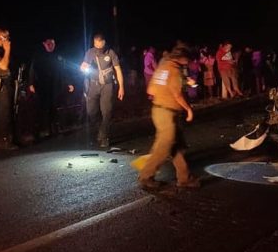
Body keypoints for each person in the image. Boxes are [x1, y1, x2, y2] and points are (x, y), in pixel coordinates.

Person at [138, 45, 200, 189]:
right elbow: (177, 94)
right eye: (188, 60)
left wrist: (180, 83)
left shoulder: (163, 67)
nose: (188, 62)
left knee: (176, 146)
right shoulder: (174, 70)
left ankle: (185, 179)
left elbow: (151, 89)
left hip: (159, 111)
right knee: (164, 147)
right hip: (167, 113)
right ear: (183, 59)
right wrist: (189, 109)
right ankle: (146, 177)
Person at [80, 33, 124, 148]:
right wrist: (83, 67)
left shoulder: (111, 52)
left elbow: (118, 70)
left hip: (107, 86)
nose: (98, 47)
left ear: (104, 42)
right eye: (96, 44)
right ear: (94, 43)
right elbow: (83, 66)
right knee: (91, 112)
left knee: (107, 112)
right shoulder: (90, 53)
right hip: (93, 85)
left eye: (101, 45)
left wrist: (121, 87)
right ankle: (101, 130)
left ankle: (104, 136)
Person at [28, 38, 74, 138]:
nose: (51, 46)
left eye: (52, 44)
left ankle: (54, 130)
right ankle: (37, 133)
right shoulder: (39, 56)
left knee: (54, 108)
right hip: (42, 86)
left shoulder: (58, 56)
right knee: (41, 109)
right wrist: (31, 83)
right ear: (44, 44)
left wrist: (69, 83)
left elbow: (64, 71)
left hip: (55, 86)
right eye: (48, 44)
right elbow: (32, 69)